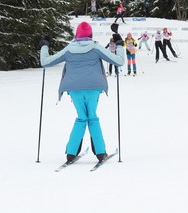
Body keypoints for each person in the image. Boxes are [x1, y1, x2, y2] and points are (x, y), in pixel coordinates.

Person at [40, 21, 125, 163]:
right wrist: (119, 45)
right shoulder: (95, 47)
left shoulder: (69, 49)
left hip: (74, 89)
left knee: (81, 117)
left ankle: (71, 153)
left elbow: (45, 61)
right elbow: (119, 61)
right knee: (92, 116)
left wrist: (44, 45)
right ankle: (100, 152)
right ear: (90, 34)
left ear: (76, 35)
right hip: (93, 88)